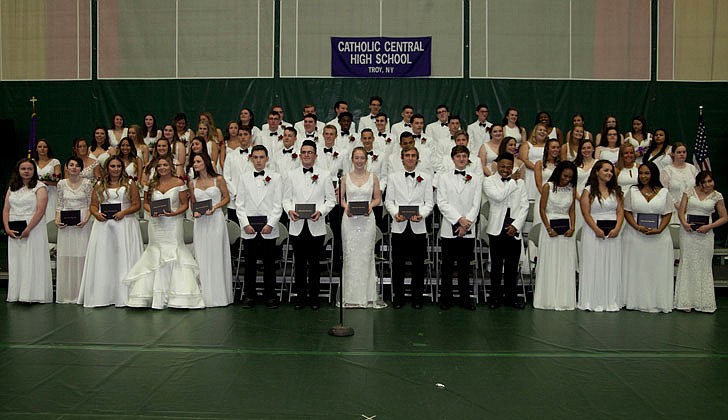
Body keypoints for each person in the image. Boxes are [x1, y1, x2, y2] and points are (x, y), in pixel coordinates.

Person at [124, 156, 204, 309]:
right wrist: (151, 212)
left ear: (171, 167)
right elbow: (145, 203)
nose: (162, 168)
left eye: (165, 165)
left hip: (173, 224)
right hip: (156, 224)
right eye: (159, 165)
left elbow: (184, 204)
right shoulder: (151, 184)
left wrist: (174, 213)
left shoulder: (179, 183)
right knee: (154, 252)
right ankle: (150, 295)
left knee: (174, 252)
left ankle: (178, 296)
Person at [78, 157, 142, 307]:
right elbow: (93, 205)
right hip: (103, 227)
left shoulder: (130, 184)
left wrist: (123, 213)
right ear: (107, 168)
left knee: (122, 258)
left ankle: (123, 295)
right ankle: (103, 295)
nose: (116, 168)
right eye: (112, 166)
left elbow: (136, 204)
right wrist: (96, 214)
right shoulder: (99, 185)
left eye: (118, 166)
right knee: (105, 258)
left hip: (124, 225)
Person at [283, 140, 336, 309]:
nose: (307, 155)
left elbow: (331, 200)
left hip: (316, 224)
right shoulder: (291, 174)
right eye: (304, 152)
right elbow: (286, 199)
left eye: (310, 152)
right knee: (299, 264)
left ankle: (314, 298)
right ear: (300, 155)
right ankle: (300, 298)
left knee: (314, 264)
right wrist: (290, 210)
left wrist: (320, 211)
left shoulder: (325, 174)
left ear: (315, 156)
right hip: (297, 224)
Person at [235, 145, 284, 309]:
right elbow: (239, 204)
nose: (258, 160)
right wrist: (245, 224)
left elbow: (278, 204)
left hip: (268, 228)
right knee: (249, 263)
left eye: (261, 157)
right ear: (251, 159)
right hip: (249, 228)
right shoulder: (243, 178)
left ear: (267, 159)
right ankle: (249, 295)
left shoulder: (276, 178)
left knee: (270, 263)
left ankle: (270, 296)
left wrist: (270, 224)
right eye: (255, 157)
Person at [622, 162, 674, 312]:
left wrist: (660, 229)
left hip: (659, 238)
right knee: (637, 268)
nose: (644, 176)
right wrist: (637, 227)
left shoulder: (664, 192)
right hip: (635, 237)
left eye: (647, 173)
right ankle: (634, 300)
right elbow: (627, 211)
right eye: (641, 173)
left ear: (654, 174)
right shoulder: (632, 191)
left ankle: (656, 300)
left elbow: (668, 213)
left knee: (655, 269)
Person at [435, 145, 481, 310]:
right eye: (458, 156)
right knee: (447, 266)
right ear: (452, 158)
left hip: (467, 229)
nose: (461, 159)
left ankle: (465, 299)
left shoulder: (475, 178)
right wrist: (459, 219)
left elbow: (476, 204)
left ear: (468, 158)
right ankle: (445, 299)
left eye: (464, 156)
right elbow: (442, 203)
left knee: (464, 266)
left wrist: (466, 223)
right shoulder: (444, 178)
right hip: (449, 227)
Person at [674, 171, 728, 312]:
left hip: (706, 235)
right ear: (699, 183)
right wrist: (684, 223)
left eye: (710, 181)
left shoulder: (717, 196)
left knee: (703, 265)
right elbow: (681, 210)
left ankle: (703, 302)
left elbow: (724, 217)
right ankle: (685, 302)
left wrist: (709, 227)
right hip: (688, 233)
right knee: (687, 263)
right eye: (704, 182)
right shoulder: (689, 192)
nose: (707, 184)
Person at [483, 152, 529, 309]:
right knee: (496, 266)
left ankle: (511, 298)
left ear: (513, 167)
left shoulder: (521, 183)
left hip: (514, 225)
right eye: (502, 166)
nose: (505, 170)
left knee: (512, 266)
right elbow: (498, 197)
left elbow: (525, 206)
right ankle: (494, 298)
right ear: (496, 165)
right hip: (497, 227)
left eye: (509, 167)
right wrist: (512, 182)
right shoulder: (489, 181)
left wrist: (516, 226)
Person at [3, 158, 53, 303]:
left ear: (34, 171)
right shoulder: (12, 187)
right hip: (14, 228)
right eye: (23, 169)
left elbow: (40, 210)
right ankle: (17, 293)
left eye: (29, 169)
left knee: (32, 259)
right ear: (18, 171)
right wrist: (7, 228)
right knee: (17, 260)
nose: (26, 171)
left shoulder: (40, 187)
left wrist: (28, 229)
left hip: (33, 228)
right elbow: (6, 209)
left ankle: (33, 294)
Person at [342, 146, 385, 308]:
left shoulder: (373, 177)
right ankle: (351, 297)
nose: (359, 161)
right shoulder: (345, 177)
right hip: (350, 220)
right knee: (351, 256)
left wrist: (370, 206)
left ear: (366, 160)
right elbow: (341, 199)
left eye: (362, 158)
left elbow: (377, 199)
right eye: (356, 158)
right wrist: (346, 207)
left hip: (367, 221)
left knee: (366, 256)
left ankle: (367, 296)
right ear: (352, 159)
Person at [577, 160, 623, 312]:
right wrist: (596, 229)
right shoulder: (588, 190)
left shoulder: (616, 191)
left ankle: (609, 300)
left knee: (611, 264)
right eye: (606, 170)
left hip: (612, 234)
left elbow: (620, 211)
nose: (609, 173)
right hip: (593, 232)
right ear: (597, 172)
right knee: (593, 264)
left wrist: (617, 228)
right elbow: (586, 212)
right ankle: (591, 300)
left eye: (611, 171)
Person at [190, 152, 233, 307]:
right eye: (194, 162)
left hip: (215, 220)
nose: (195, 164)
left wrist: (215, 207)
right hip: (200, 222)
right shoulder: (192, 182)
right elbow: (193, 203)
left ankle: (219, 295)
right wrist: (194, 212)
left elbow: (227, 197)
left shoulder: (218, 179)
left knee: (216, 255)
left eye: (198, 161)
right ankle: (204, 294)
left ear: (205, 162)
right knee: (202, 256)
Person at [533, 161, 578, 310]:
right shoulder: (548, 187)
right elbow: (542, 209)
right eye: (565, 176)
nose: (567, 179)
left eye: (570, 177)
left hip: (565, 230)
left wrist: (573, 227)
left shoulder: (572, 188)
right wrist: (547, 228)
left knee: (565, 263)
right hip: (550, 229)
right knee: (550, 262)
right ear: (559, 173)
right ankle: (547, 299)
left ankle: (564, 299)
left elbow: (572, 210)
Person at [54, 157, 94, 303]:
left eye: (77, 165)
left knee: (82, 256)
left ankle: (81, 293)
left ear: (81, 168)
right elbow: (59, 204)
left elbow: (91, 204)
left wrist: (86, 219)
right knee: (67, 257)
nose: (74, 168)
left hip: (83, 222)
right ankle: (68, 293)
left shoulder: (87, 183)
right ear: (66, 167)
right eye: (71, 165)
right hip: (66, 225)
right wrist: (57, 220)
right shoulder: (61, 184)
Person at [660, 142, 698, 213]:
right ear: (673, 154)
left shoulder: (692, 169)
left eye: (684, 152)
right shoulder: (667, 170)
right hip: (673, 209)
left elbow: (698, 188)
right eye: (679, 152)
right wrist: (676, 204)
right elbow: (664, 191)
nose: (682, 154)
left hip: (692, 209)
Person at [33, 138, 61, 221]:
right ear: (36, 149)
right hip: (35, 193)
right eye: (40, 146)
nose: (42, 149)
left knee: (50, 217)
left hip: (51, 194)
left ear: (48, 149)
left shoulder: (55, 162)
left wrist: (46, 182)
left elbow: (58, 180)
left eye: (45, 147)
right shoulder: (32, 162)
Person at [519, 122, 548, 200]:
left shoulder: (548, 145)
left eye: (545, 130)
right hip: (530, 175)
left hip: (545, 174)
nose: (542, 132)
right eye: (540, 130)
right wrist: (537, 169)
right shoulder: (527, 144)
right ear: (535, 132)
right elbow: (524, 160)